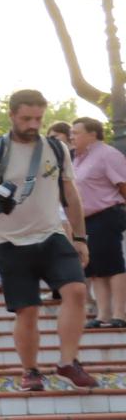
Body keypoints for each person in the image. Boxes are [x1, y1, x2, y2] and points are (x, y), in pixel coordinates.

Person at [0, 90, 96, 391]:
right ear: (12, 116)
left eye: (38, 118)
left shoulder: (56, 149)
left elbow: (70, 194)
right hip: (8, 240)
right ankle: (30, 371)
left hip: (51, 234)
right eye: (26, 119)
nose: (33, 124)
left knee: (75, 290)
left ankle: (68, 362)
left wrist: (81, 237)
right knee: (27, 308)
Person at [71, 117, 126, 327]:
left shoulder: (108, 155)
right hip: (85, 219)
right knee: (94, 268)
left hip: (107, 214)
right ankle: (103, 315)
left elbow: (123, 184)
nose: (72, 137)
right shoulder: (77, 158)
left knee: (112, 264)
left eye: (76, 133)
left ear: (92, 134)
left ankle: (120, 314)